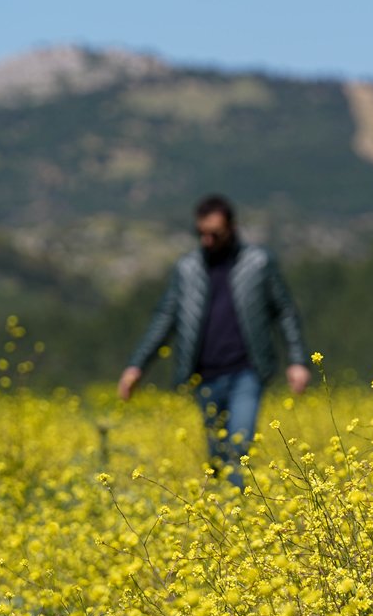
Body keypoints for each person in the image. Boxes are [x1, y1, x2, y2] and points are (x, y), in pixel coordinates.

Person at [118, 194, 311, 487]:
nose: (207, 241)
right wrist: (137, 366)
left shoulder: (258, 263)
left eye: (215, 234)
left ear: (232, 228)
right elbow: (164, 319)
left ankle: (239, 507)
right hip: (204, 376)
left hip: (247, 371)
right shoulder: (187, 269)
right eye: (201, 233)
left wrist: (297, 361)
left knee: (239, 446)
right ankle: (222, 506)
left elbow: (285, 312)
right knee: (216, 455)